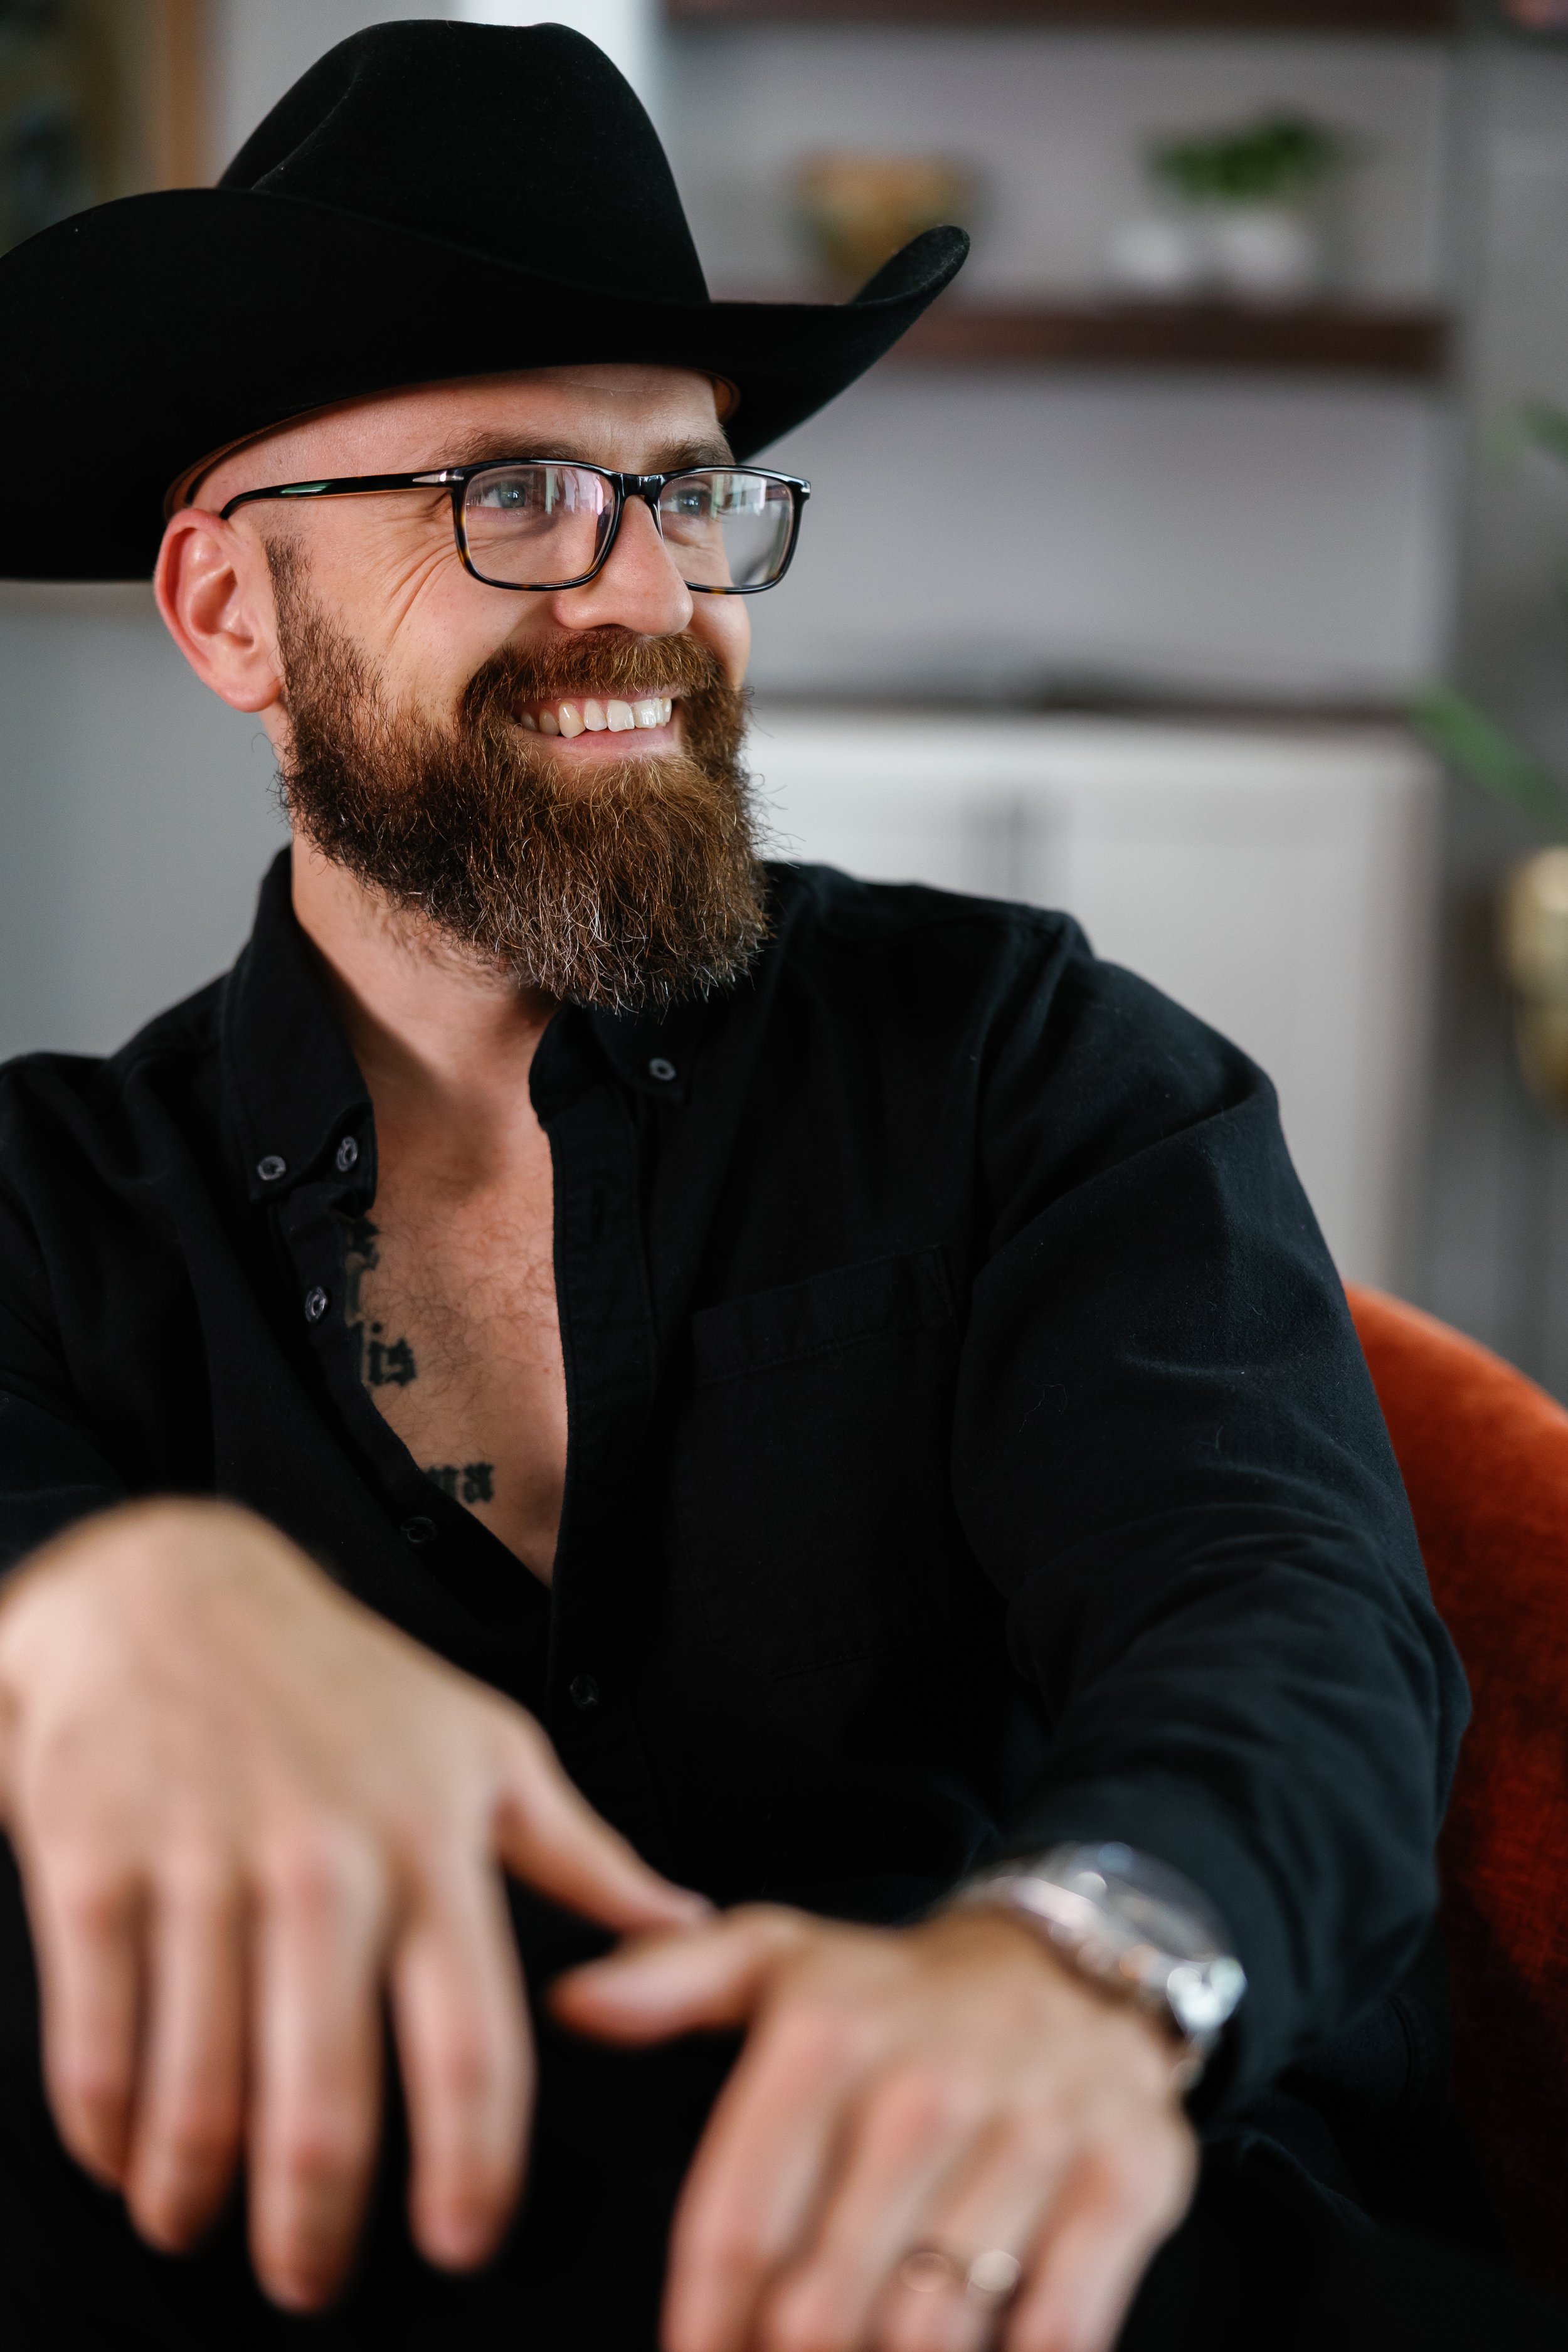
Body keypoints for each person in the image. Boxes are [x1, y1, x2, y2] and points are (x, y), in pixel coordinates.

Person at [0, 21, 1549, 2352]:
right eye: (516, 493)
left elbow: (1281, 1608)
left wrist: (1085, 1954)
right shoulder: (49, 1208)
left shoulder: (1031, 1068)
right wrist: (94, 1598)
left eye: (693, 492)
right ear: (231, 614)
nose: (650, 595)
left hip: (1042, 2268)